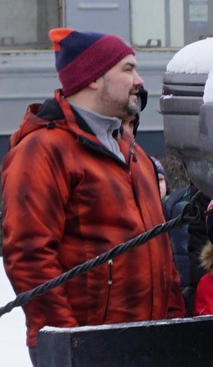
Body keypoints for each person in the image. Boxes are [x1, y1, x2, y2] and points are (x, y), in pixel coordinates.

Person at [2, 29, 184, 347]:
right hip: (88, 354)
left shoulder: (133, 153)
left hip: (150, 344)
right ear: (93, 78)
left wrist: (176, 328)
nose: (139, 80)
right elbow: (29, 256)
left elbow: (161, 253)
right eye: (127, 69)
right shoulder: (43, 150)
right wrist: (67, 342)